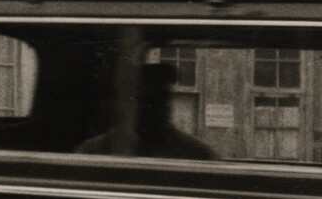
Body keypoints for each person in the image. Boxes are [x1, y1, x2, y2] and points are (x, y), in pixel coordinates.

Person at [77, 61, 217, 161]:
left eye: (163, 99)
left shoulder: (196, 153)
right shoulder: (95, 149)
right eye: (148, 100)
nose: (161, 107)